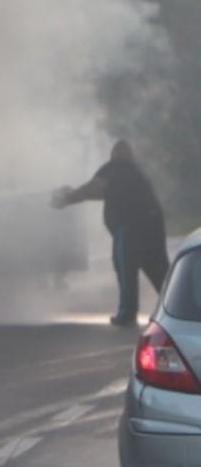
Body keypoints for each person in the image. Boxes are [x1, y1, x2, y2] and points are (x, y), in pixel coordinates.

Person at [52, 140, 169, 327]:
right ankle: (179, 310)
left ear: (114, 154)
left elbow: (94, 188)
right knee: (159, 270)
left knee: (125, 268)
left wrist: (68, 198)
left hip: (131, 228)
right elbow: (101, 192)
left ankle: (127, 313)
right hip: (154, 225)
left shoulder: (114, 167)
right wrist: (72, 196)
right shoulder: (136, 172)